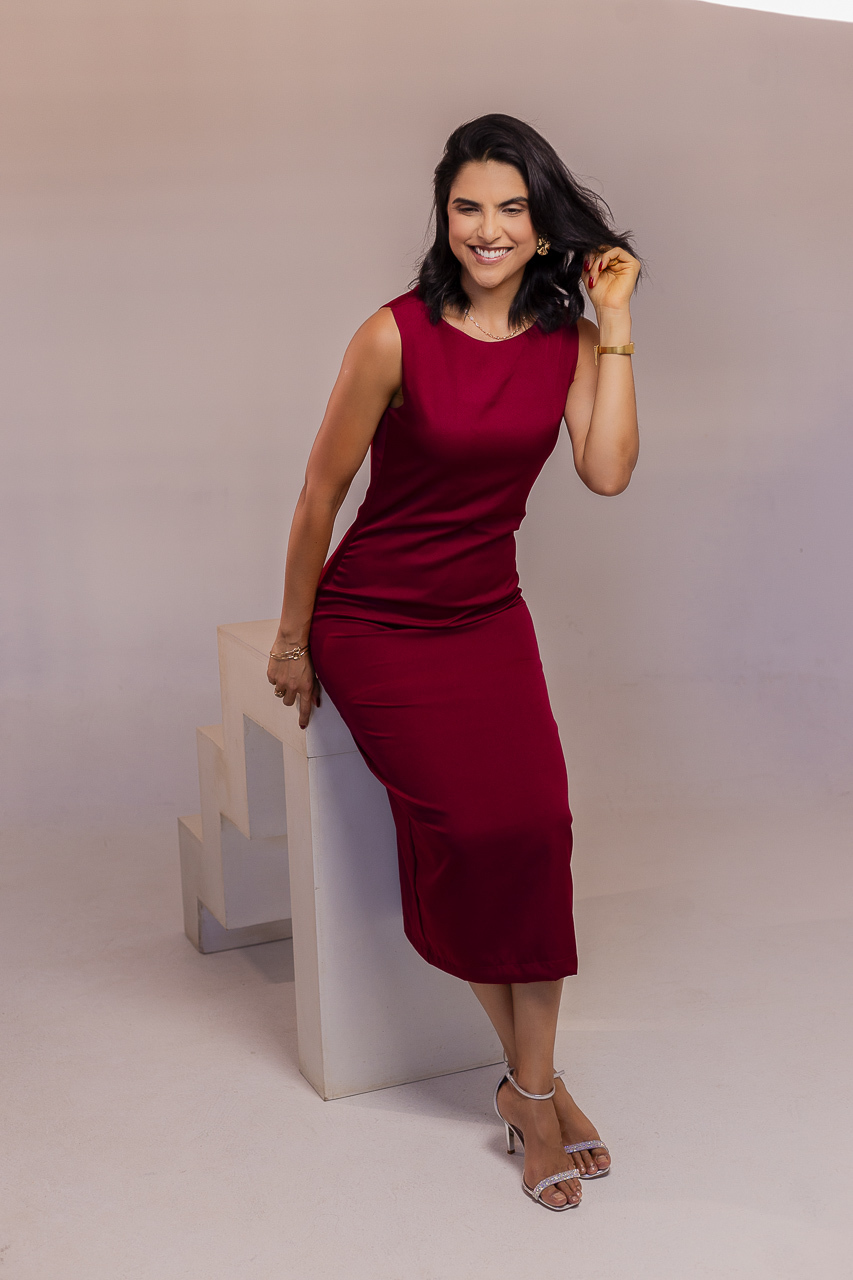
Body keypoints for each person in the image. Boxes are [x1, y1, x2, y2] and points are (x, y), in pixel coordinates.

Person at [267, 113, 642, 1211]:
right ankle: (536, 1091)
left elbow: (607, 471)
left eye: (511, 209)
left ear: (543, 226)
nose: (487, 228)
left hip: (486, 615)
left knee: (538, 831)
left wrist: (615, 322)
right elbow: (321, 494)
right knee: (473, 836)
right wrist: (292, 637)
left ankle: (532, 1086)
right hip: (376, 621)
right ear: (443, 216)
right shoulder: (393, 335)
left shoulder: (567, 340)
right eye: (468, 206)